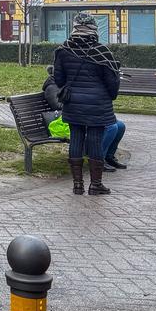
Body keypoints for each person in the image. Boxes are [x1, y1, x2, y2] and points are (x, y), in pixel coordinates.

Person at [52, 12, 120, 196]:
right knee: (95, 141)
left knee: (76, 138)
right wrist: (110, 96)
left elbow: (58, 78)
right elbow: (112, 81)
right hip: (98, 104)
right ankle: (96, 184)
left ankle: (77, 185)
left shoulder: (63, 50)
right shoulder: (102, 51)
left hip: (73, 102)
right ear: (93, 29)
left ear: (75, 28)